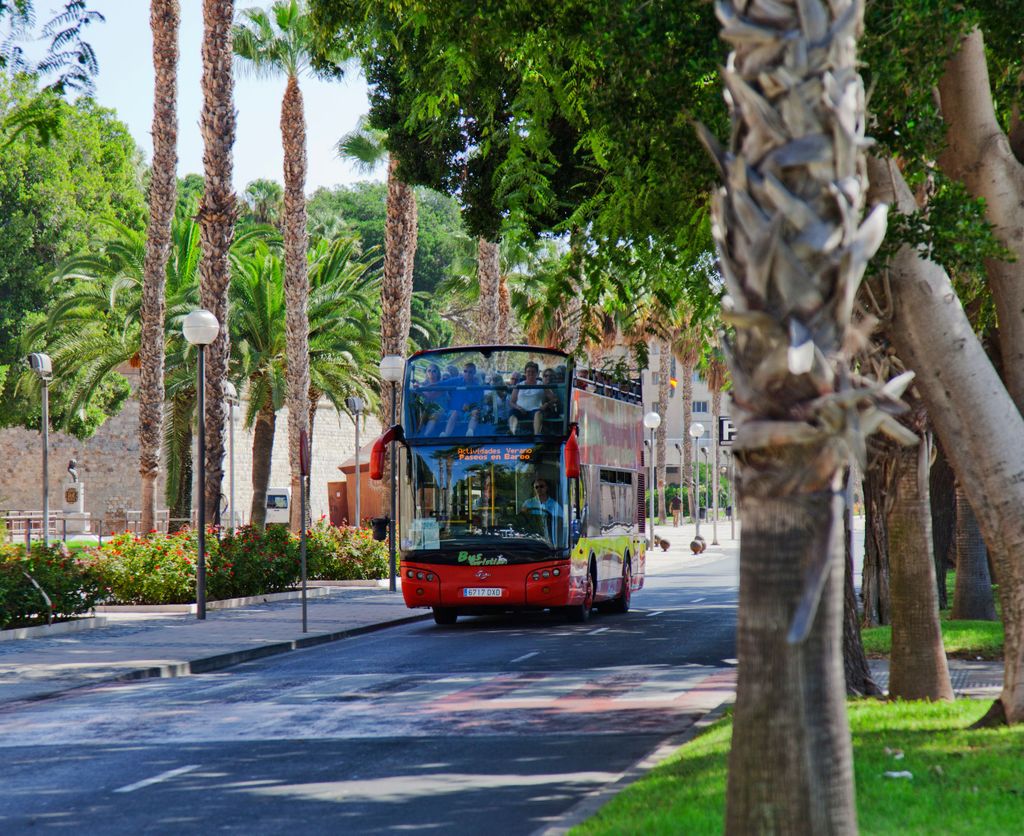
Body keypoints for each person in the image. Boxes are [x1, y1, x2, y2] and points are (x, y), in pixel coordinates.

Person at [441, 362, 482, 436]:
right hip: (455, 411)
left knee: (475, 412)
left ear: (474, 373)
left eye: (470, 372)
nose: (467, 374)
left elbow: (479, 402)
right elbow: (440, 384)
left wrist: (469, 406)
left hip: (470, 411)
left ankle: (470, 432)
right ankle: (446, 434)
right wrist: (423, 387)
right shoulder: (455, 381)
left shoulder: (478, 387)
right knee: (455, 413)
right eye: (465, 371)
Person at [510, 361, 547, 434]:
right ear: (525, 373)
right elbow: (512, 402)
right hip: (520, 411)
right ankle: (512, 434)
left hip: (535, 411)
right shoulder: (519, 385)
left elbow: (554, 398)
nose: (530, 373)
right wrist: (518, 408)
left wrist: (546, 404)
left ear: (537, 373)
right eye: (528, 371)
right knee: (512, 414)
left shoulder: (541, 385)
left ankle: (537, 436)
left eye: (533, 372)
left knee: (538, 413)